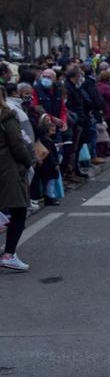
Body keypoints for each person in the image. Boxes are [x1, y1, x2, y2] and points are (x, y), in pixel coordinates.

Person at [1, 97, 33, 272]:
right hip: (8, 169)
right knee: (18, 211)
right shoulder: (7, 117)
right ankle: (9, 255)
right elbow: (17, 144)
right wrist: (29, 162)